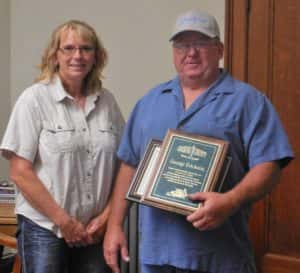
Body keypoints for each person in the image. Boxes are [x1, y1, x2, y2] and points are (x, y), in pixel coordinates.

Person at [103, 10, 294, 273]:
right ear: (173, 52)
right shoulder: (150, 101)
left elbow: (270, 166)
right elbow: (129, 164)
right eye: (182, 44)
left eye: (201, 43)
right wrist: (114, 227)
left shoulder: (248, 101)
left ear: (220, 49)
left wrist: (231, 200)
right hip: (156, 256)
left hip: (220, 256)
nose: (190, 52)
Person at [0, 20, 124, 273]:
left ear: (97, 56)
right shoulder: (34, 99)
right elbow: (19, 172)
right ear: (55, 56)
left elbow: (124, 166)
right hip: (45, 229)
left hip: (93, 231)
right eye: (68, 48)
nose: (77, 56)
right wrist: (64, 222)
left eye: (86, 48)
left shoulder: (107, 102)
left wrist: (106, 218)